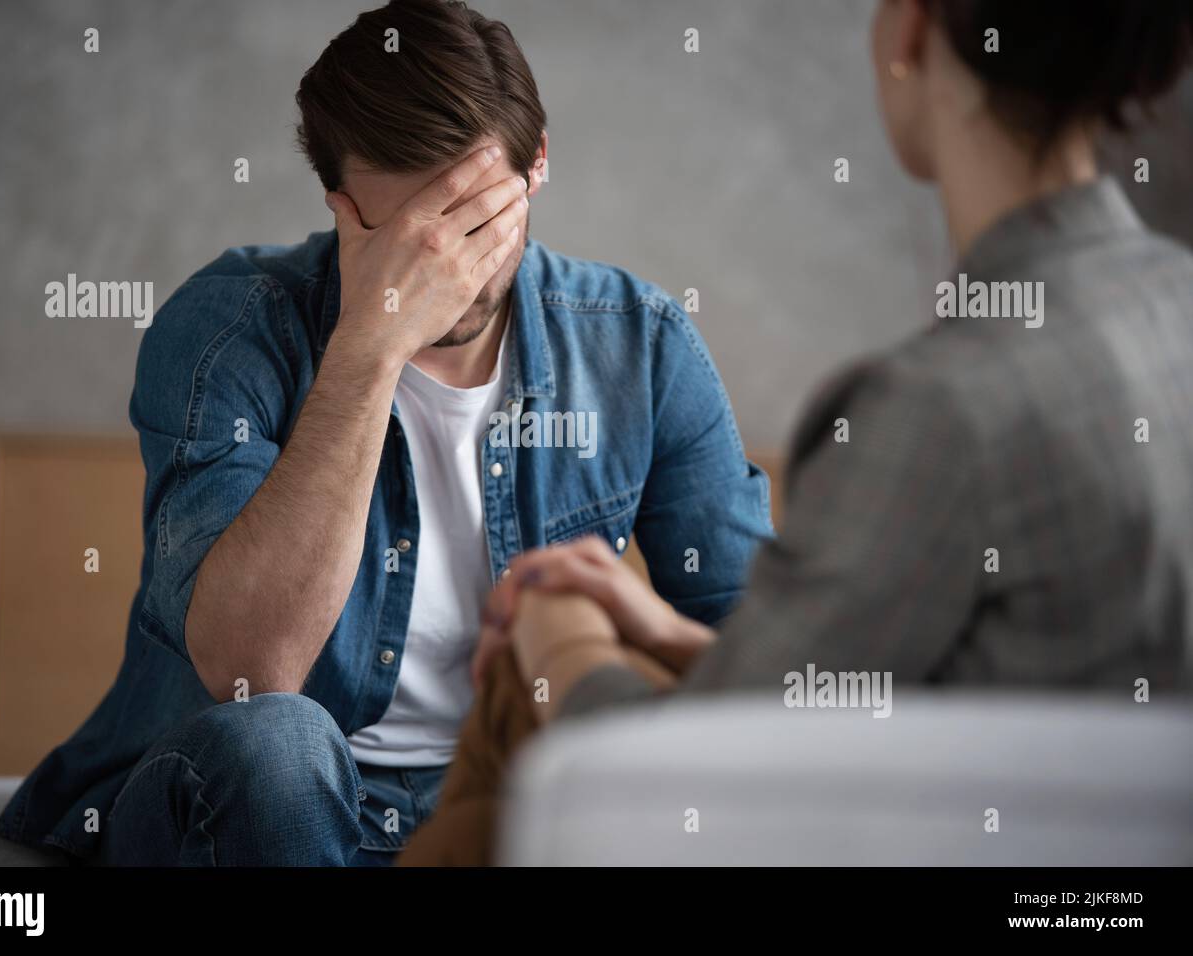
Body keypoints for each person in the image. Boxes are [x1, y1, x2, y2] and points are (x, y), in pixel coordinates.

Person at [400, 0, 1193, 865]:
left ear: (911, 34)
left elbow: (712, 774)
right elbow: (928, 697)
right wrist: (668, 635)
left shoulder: (938, 412)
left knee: (502, 756)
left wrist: (560, 630)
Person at [0, 0, 772, 865]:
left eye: (474, 222)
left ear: (538, 164)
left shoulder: (641, 342)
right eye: (403, 235)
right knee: (279, 740)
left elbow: (760, 653)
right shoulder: (227, 328)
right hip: (252, 796)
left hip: (494, 800)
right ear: (338, 206)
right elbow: (255, 669)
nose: (447, 270)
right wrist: (372, 341)